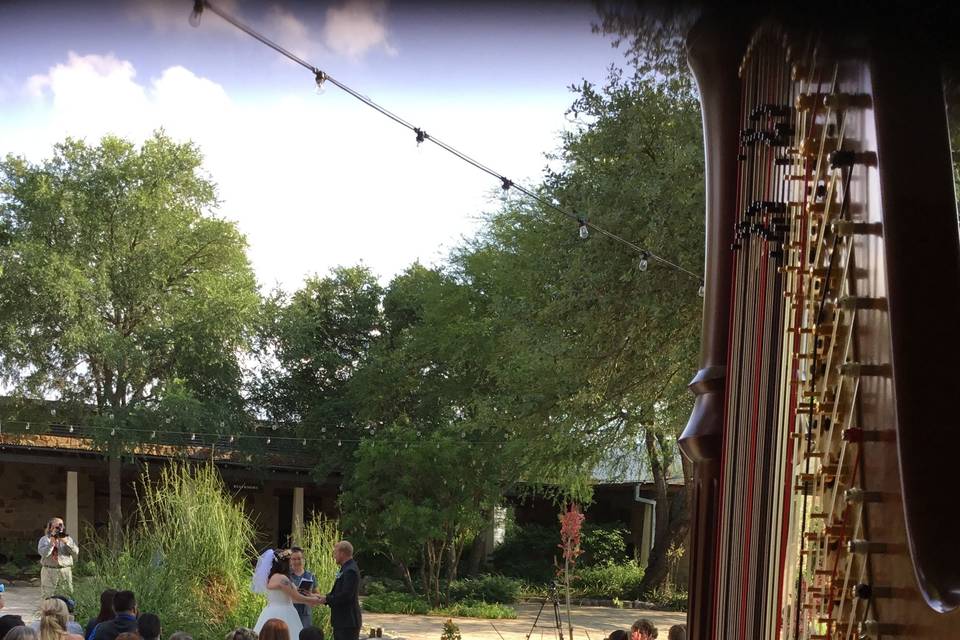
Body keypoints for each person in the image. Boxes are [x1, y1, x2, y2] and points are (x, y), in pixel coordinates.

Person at [251, 550, 323, 637]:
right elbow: (297, 597)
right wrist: (314, 600)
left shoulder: (270, 578)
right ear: (284, 564)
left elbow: (292, 597)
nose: (291, 564)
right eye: (290, 561)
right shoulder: (283, 579)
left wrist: (312, 598)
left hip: (269, 611)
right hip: (285, 612)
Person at [317, 541, 361, 640]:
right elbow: (339, 592)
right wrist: (324, 597)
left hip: (347, 621)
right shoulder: (346, 568)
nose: (334, 556)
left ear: (342, 553)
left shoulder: (350, 570)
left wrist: (327, 599)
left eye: (335, 553)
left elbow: (346, 595)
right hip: (343, 621)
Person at [37, 518, 79, 598]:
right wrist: (52, 543)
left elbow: (75, 552)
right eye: (56, 526)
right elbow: (44, 554)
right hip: (49, 570)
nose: (59, 528)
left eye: (61, 526)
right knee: (48, 596)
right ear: (50, 528)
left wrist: (66, 542)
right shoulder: (44, 539)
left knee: (67, 595)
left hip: (65, 570)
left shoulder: (67, 539)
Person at [289, 548, 316, 630]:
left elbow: (317, 594)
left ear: (303, 559)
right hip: (291, 611)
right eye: (294, 559)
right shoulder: (287, 575)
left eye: (299, 559)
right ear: (290, 560)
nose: (297, 561)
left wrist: (310, 594)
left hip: (305, 614)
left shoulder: (310, 575)